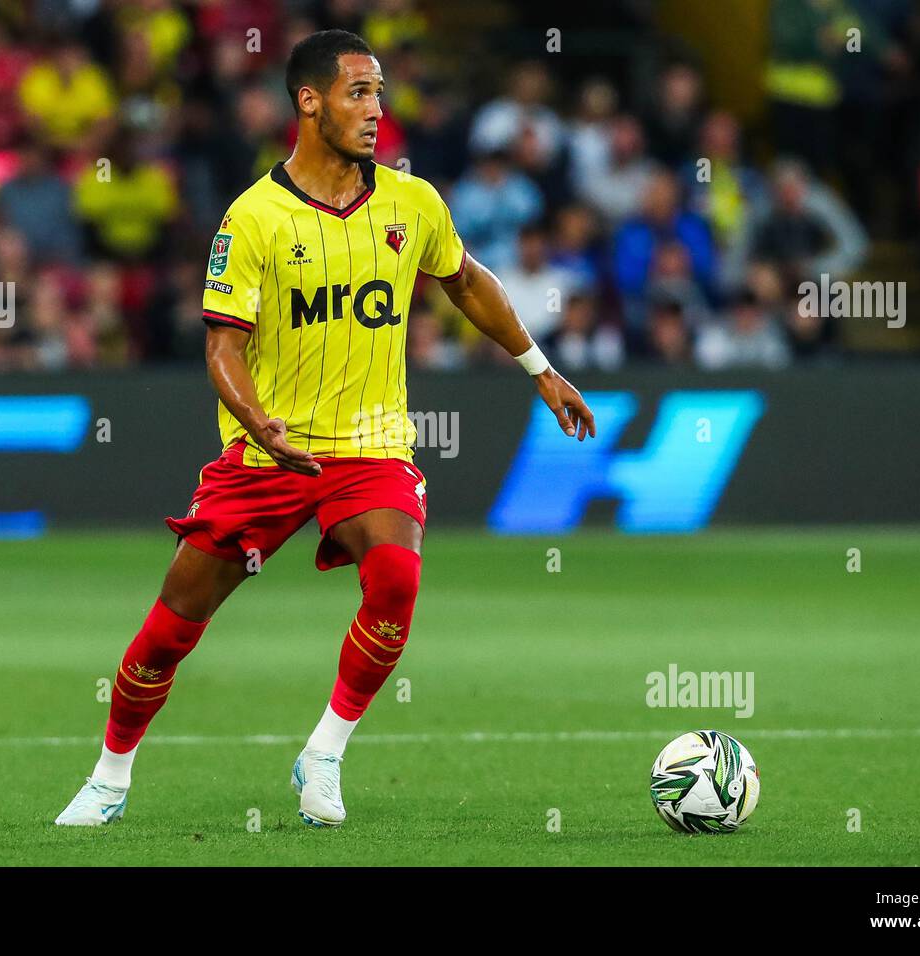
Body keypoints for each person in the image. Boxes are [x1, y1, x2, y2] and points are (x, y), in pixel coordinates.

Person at [55, 30, 595, 829]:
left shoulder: (413, 203)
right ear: (308, 101)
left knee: (397, 578)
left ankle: (325, 753)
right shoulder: (254, 218)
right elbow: (222, 344)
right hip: (267, 451)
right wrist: (260, 424)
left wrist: (539, 369)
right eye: (358, 93)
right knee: (173, 623)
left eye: (379, 92)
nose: (377, 110)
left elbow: (467, 282)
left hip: (372, 442)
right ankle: (109, 775)